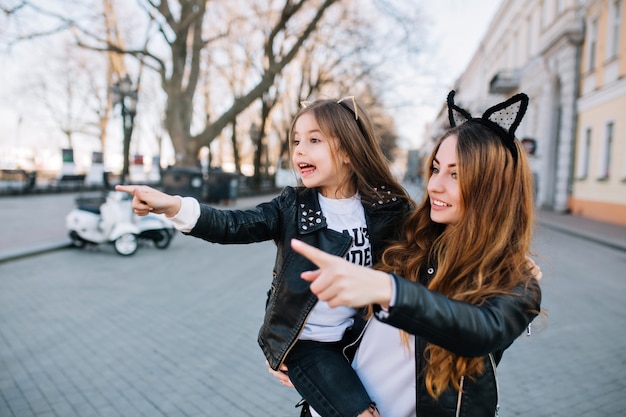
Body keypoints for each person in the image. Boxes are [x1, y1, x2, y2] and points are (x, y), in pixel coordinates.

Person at [116, 97, 413, 417]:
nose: (299, 150)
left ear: (347, 150)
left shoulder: (387, 209)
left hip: (359, 339)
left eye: (314, 140)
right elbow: (233, 225)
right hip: (309, 347)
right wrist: (173, 206)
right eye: (296, 140)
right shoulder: (293, 206)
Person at [270, 91, 543, 417]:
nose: (434, 186)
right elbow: (298, 278)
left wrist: (390, 291)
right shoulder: (407, 240)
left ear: (493, 188)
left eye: (455, 175)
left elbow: (481, 331)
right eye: (436, 169)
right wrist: (284, 340)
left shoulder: (515, 282)